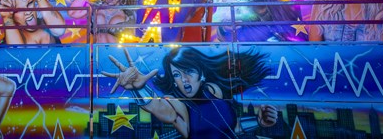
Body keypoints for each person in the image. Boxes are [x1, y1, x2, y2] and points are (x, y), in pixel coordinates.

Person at [102, 47, 278, 139]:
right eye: (177, 75)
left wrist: (258, 121)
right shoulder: (177, 105)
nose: (183, 79)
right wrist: (140, 88)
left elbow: (230, 128)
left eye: (188, 71)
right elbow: (158, 107)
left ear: (201, 74)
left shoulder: (213, 90)